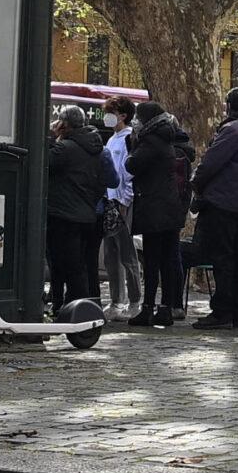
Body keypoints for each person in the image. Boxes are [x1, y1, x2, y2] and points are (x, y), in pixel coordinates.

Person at [190, 88, 238, 328]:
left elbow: (210, 163)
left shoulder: (232, 130)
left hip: (220, 202)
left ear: (230, 106)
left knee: (221, 258)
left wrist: (197, 184)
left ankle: (222, 311)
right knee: (236, 259)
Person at [126, 101, 192, 327]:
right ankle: (166, 306)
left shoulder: (150, 141)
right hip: (170, 206)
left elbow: (131, 165)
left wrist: (132, 144)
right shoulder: (166, 137)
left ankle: (148, 307)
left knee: (152, 259)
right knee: (168, 259)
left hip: (154, 207)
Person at [44, 106, 110, 312]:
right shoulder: (97, 148)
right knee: (78, 265)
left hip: (63, 214)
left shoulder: (65, 148)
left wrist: (50, 136)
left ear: (63, 125)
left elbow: (43, 163)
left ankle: (74, 310)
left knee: (63, 264)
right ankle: (74, 307)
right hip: (86, 214)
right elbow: (107, 180)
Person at [99, 95, 142, 321]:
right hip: (110, 202)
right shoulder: (112, 139)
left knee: (127, 254)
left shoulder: (127, 140)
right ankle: (116, 300)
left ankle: (135, 300)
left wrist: (125, 200)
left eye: (110, 112)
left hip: (122, 202)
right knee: (110, 255)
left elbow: (128, 174)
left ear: (122, 115)